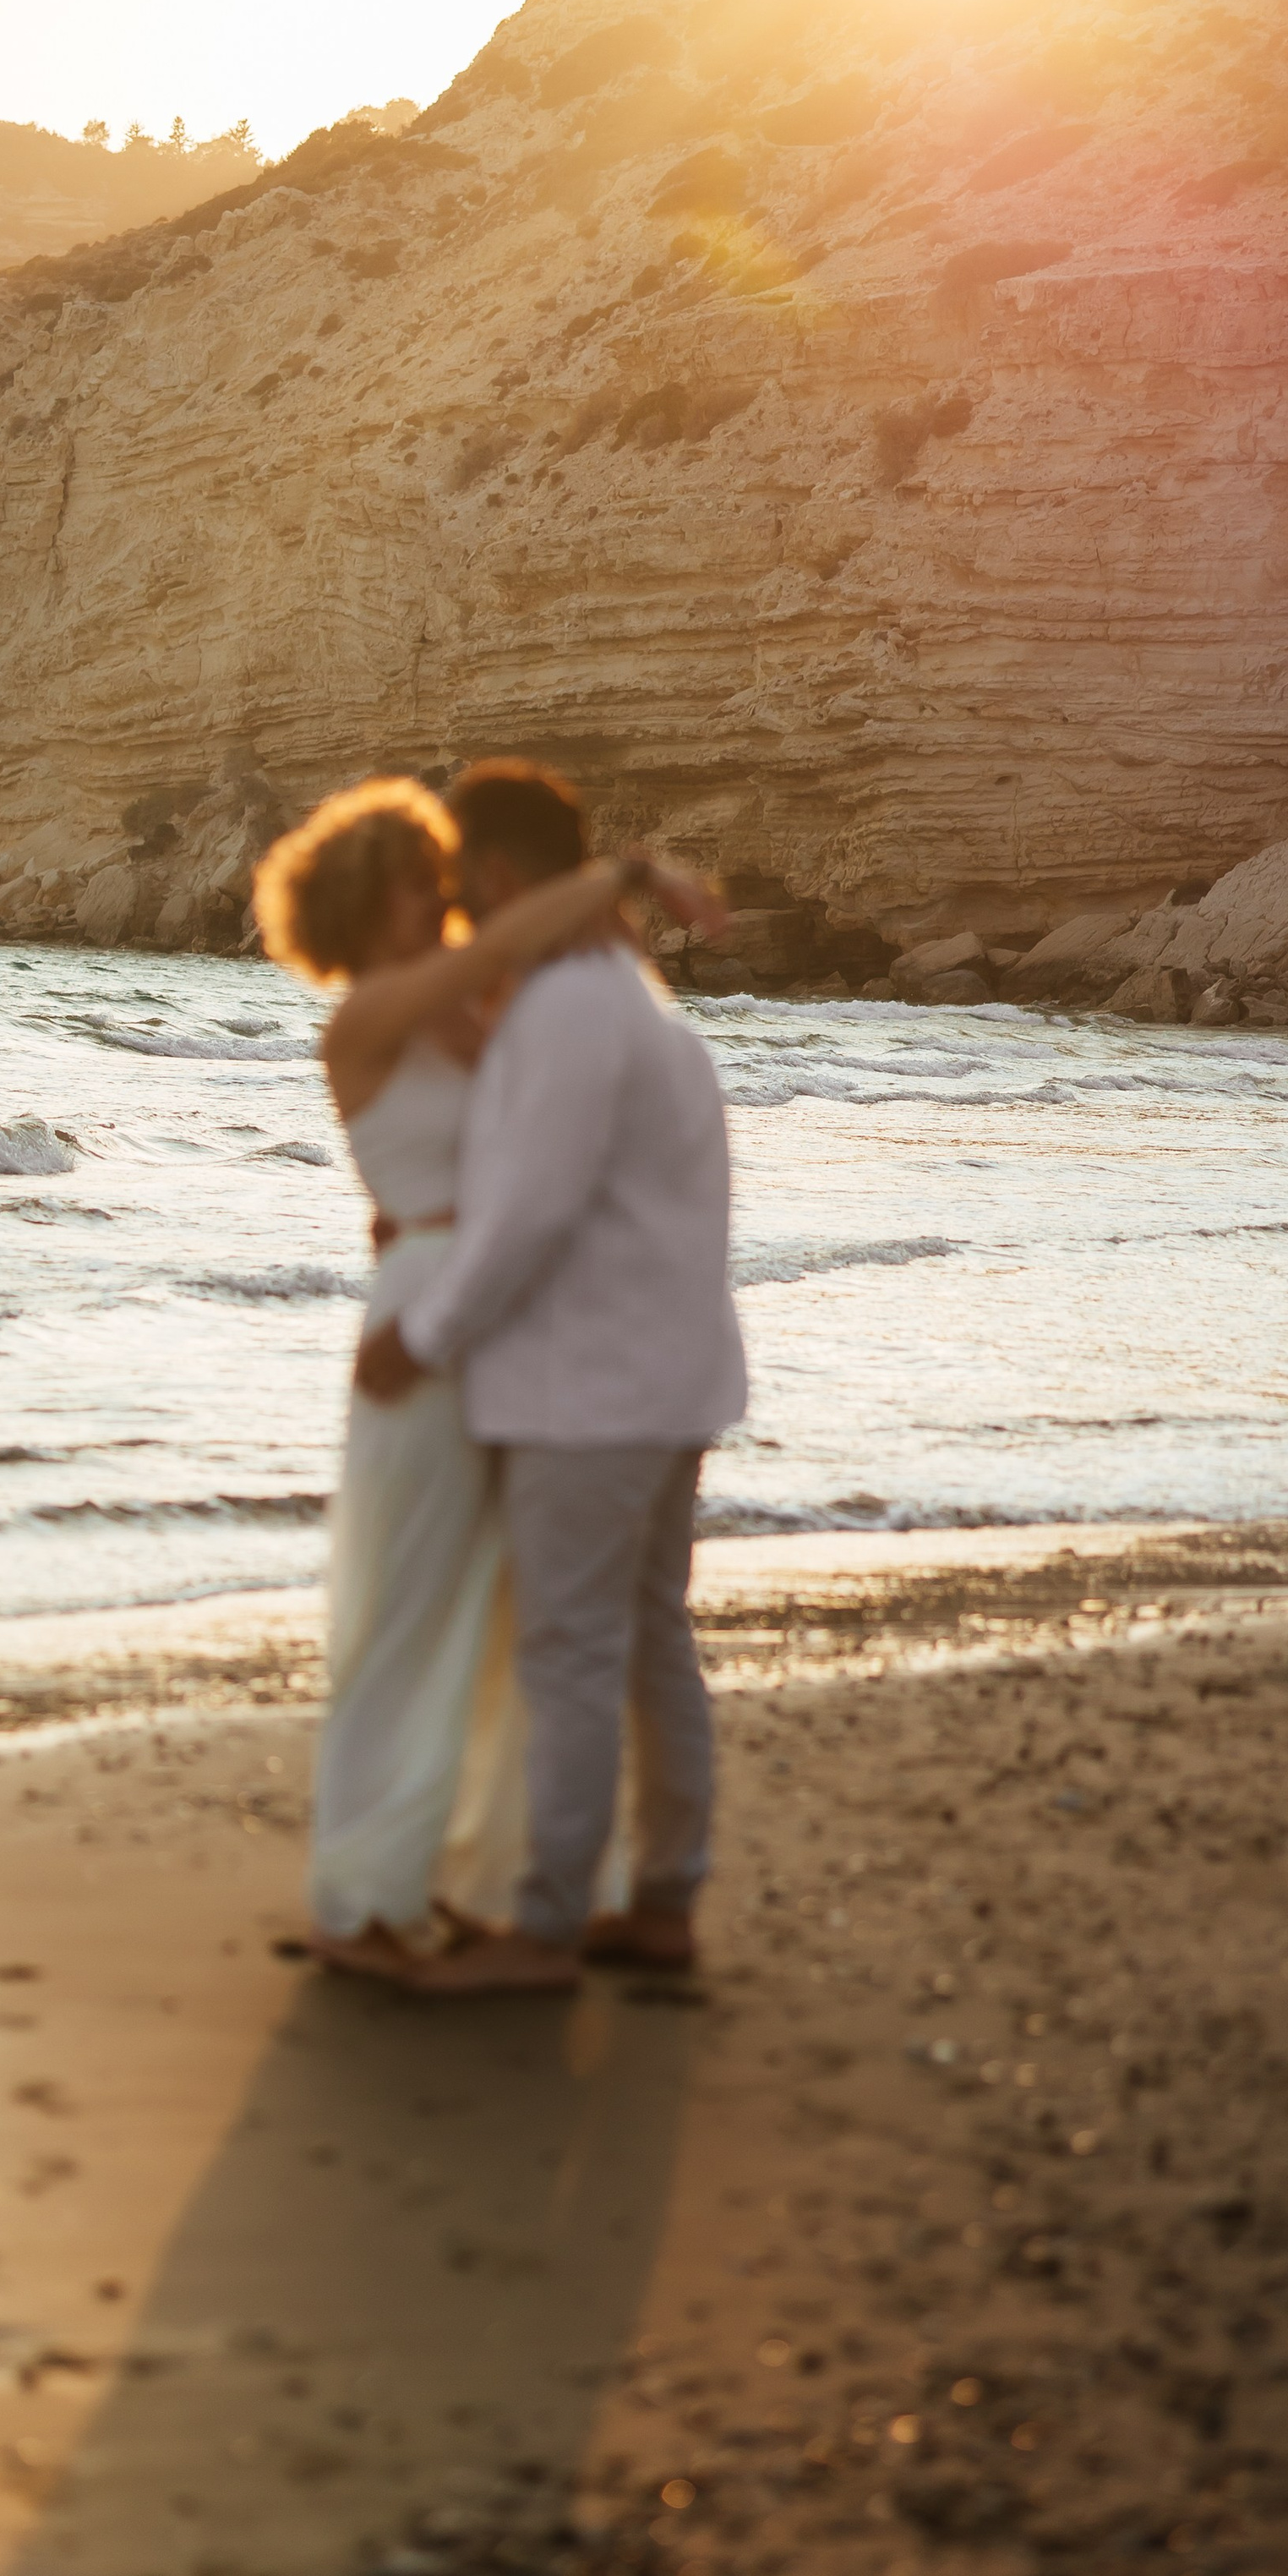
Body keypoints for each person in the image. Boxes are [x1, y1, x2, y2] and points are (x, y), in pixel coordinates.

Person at [251, 774, 722, 1983]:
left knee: (511, 1627)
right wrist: (620, 875)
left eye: (452, 877)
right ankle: (361, 1894)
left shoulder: (489, 1010)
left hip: (514, 1328)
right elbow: (517, 941)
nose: (448, 895)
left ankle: (474, 1876)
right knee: (406, 1610)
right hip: (432, 1325)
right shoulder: (374, 1013)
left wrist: (608, 909)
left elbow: (563, 1074)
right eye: (423, 881)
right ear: (369, 902)